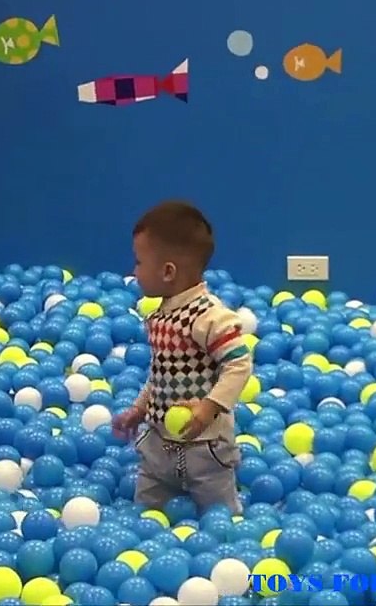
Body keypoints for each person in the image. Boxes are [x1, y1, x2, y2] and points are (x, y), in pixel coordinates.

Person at [112, 200, 253, 515]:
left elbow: (238, 364)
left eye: (138, 262)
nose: (134, 271)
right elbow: (161, 372)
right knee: (147, 508)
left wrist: (208, 407)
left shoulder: (209, 316)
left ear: (167, 272)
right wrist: (140, 408)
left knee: (219, 513)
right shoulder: (161, 315)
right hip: (161, 443)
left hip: (205, 446)